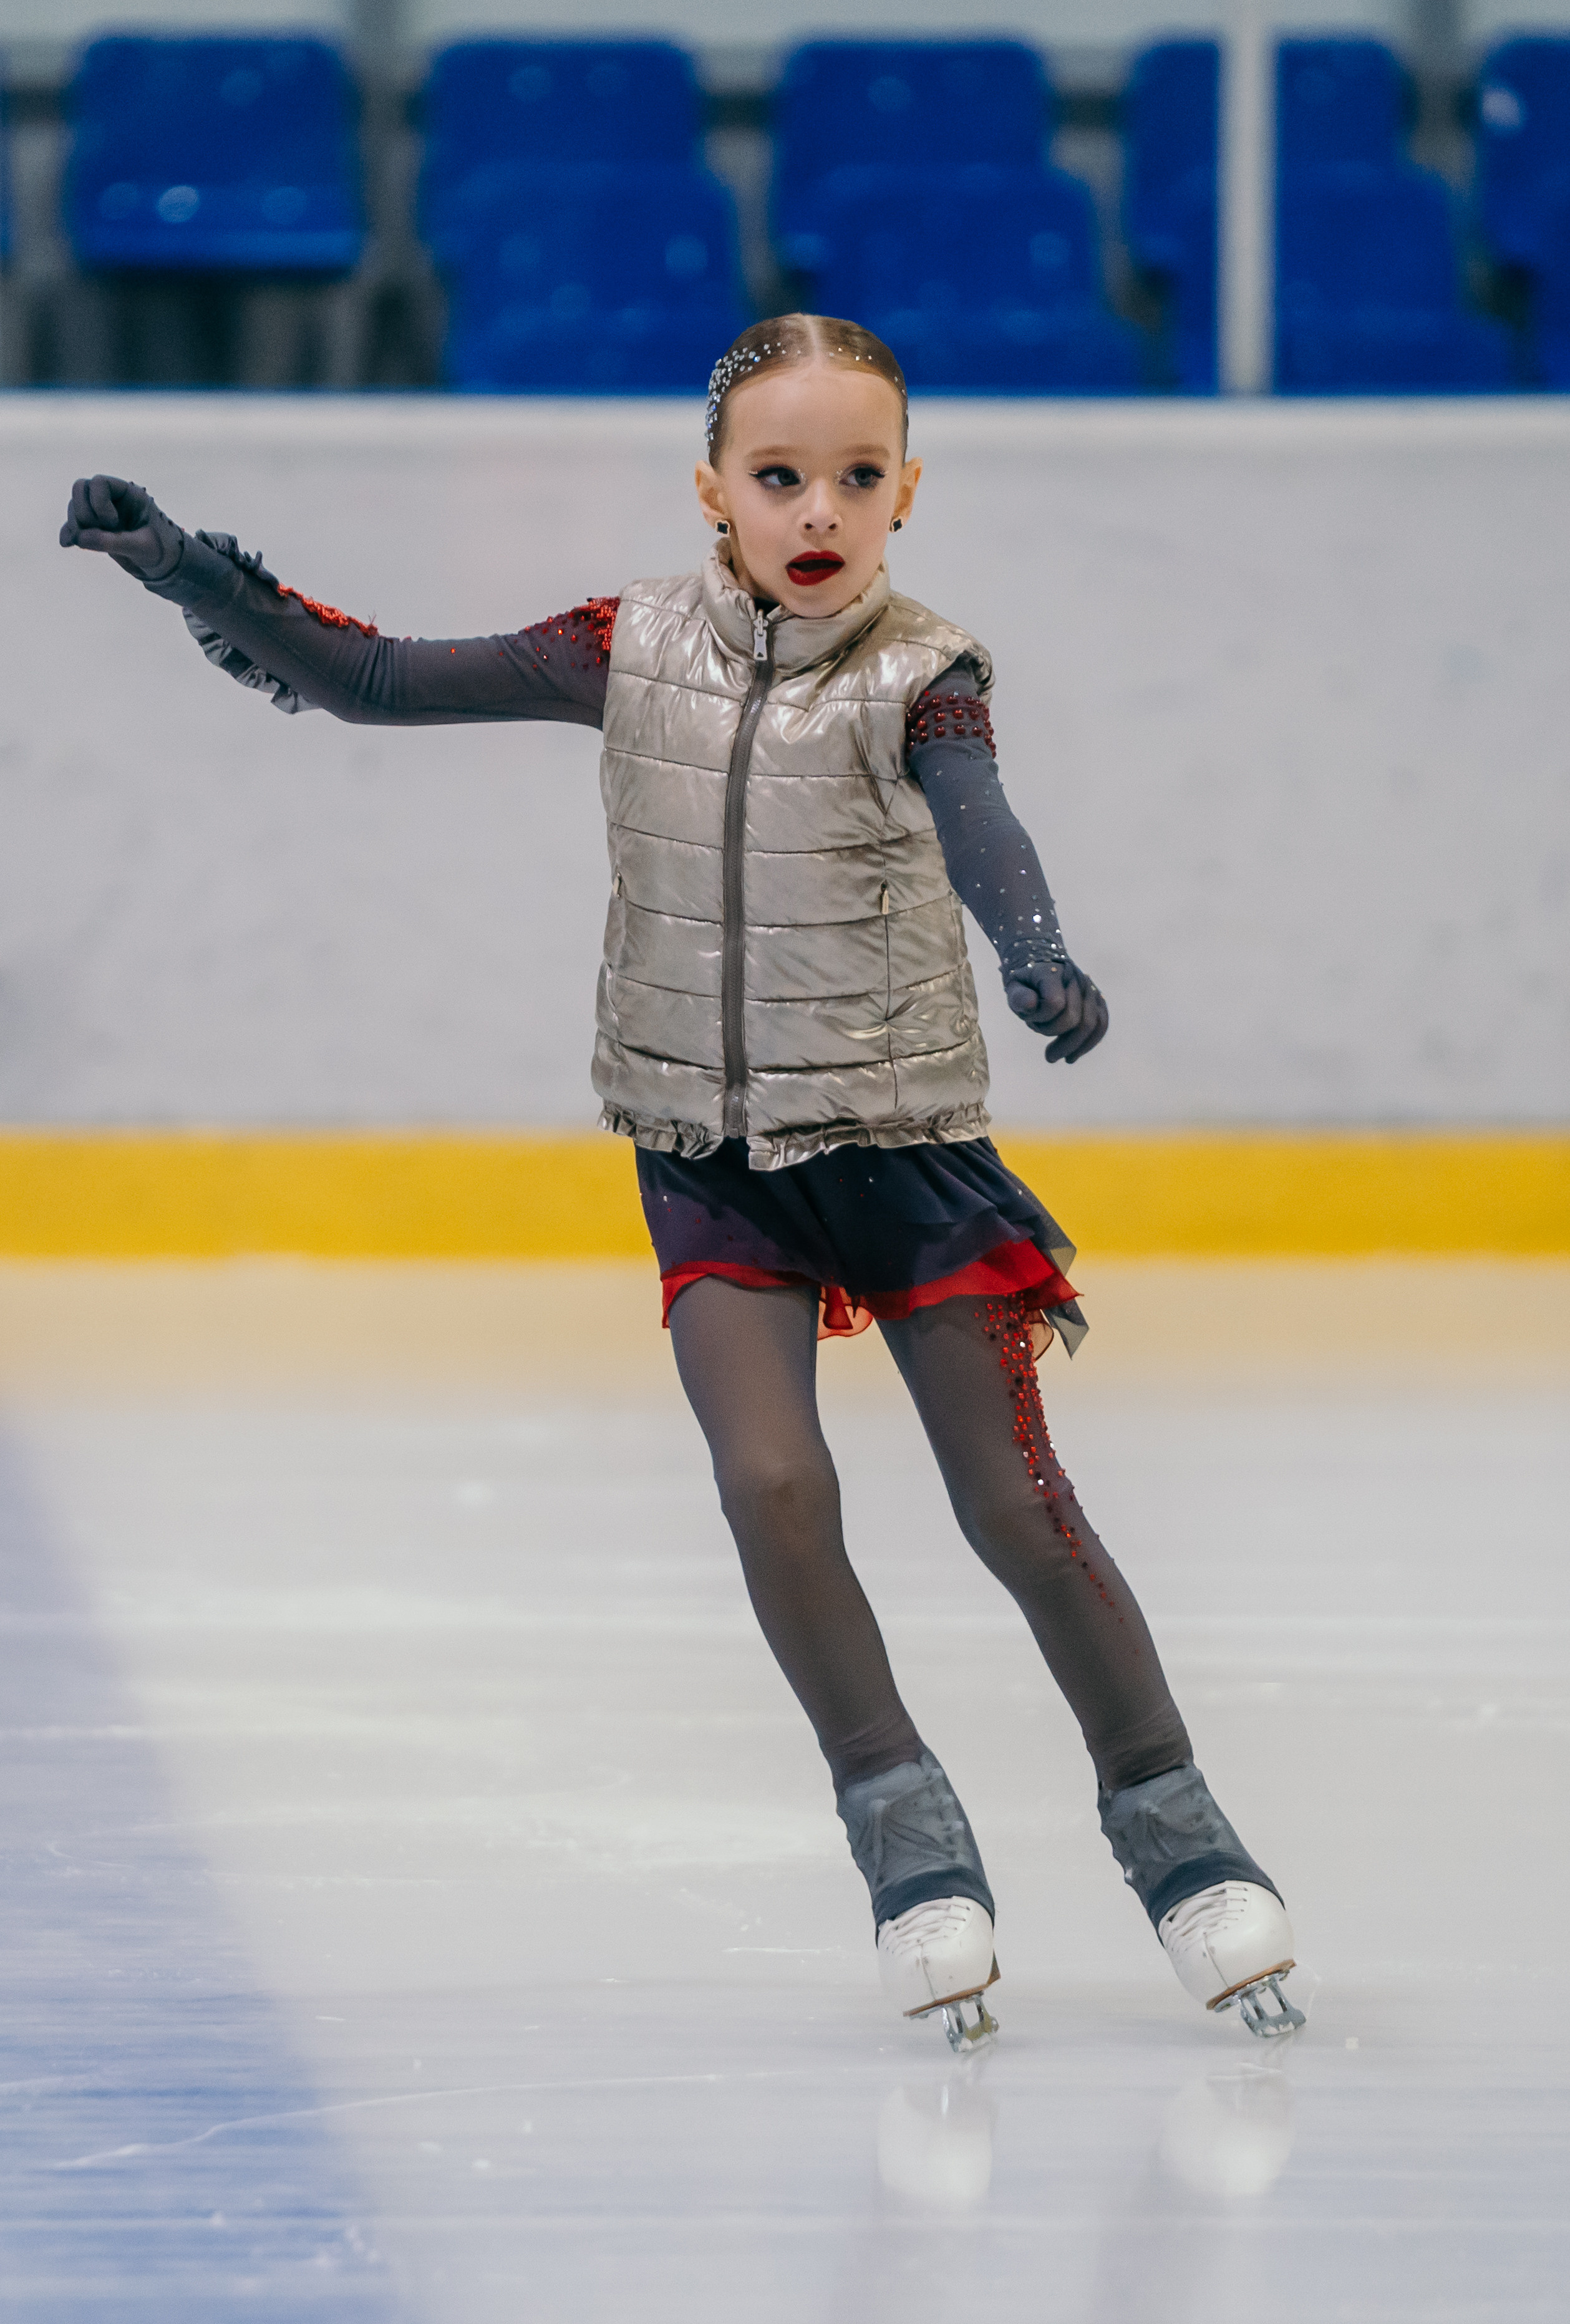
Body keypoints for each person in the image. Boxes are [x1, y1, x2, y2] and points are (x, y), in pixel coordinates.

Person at [60, 313, 1303, 2050]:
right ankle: (909, 1846)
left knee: (1014, 1510)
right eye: (780, 475)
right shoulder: (623, 642)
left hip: (905, 1156)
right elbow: (377, 678)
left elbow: (981, 823)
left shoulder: (925, 669)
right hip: (705, 1158)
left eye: (857, 478)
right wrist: (187, 570)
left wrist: (1034, 947)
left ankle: (1180, 1839)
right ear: (711, 487)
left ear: (907, 494)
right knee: (771, 1485)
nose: (818, 509)